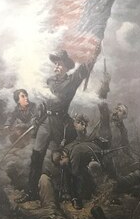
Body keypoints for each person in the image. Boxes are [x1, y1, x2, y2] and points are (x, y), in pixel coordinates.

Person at [17, 49, 91, 203]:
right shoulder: (49, 81)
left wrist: (93, 56)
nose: (57, 66)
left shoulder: (72, 81)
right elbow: (44, 102)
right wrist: (37, 118)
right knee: (36, 157)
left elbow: (83, 70)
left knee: (65, 159)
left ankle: (74, 195)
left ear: (66, 66)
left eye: (60, 63)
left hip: (60, 124)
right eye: (55, 63)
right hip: (45, 122)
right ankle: (31, 192)